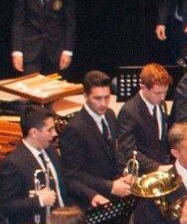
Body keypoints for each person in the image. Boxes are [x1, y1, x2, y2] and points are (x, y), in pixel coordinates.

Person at [58, 71, 135, 211]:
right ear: (85, 96)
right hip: (91, 199)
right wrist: (110, 186)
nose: (103, 103)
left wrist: (124, 173)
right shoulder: (74, 129)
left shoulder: (110, 115)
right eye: (97, 98)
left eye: (107, 97)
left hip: (114, 192)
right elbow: (73, 175)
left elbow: (114, 152)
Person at [0, 105, 68, 224]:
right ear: (34, 132)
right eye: (50, 130)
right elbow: (5, 206)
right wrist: (38, 200)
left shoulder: (51, 150)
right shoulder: (12, 163)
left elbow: (61, 186)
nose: (55, 133)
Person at [115, 63, 176, 167]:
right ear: (143, 88)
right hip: (144, 170)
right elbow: (128, 151)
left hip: (162, 165)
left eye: (165, 92)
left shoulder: (160, 103)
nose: (162, 97)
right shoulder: (128, 112)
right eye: (157, 93)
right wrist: (157, 167)